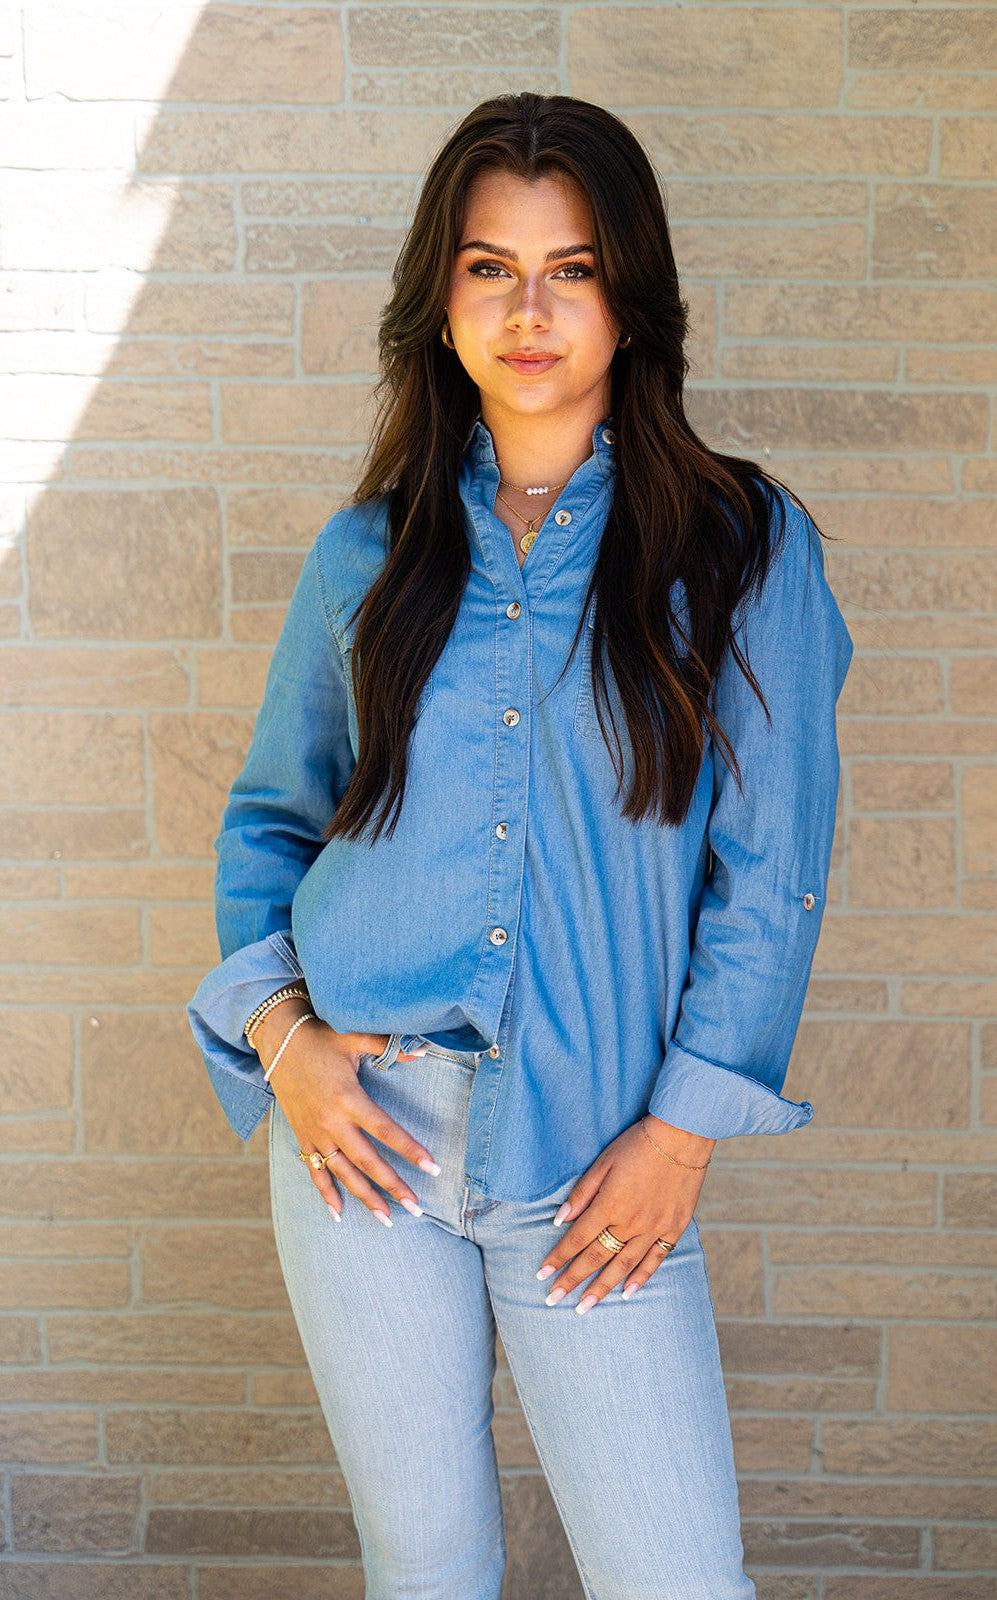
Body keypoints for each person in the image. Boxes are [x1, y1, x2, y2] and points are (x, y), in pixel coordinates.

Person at [187, 91, 853, 1600]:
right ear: (443, 298)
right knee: (424, 1571)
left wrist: (682, 1133)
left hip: (598, 1153)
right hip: (364, 1143)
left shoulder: (745, 551)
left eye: (572, 267)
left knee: (673, 1579)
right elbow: (272, 825)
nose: (530, 308)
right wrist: (285, 1045)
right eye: (491, 267)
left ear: (634, 295)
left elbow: (774, 872)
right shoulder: (370, 554)